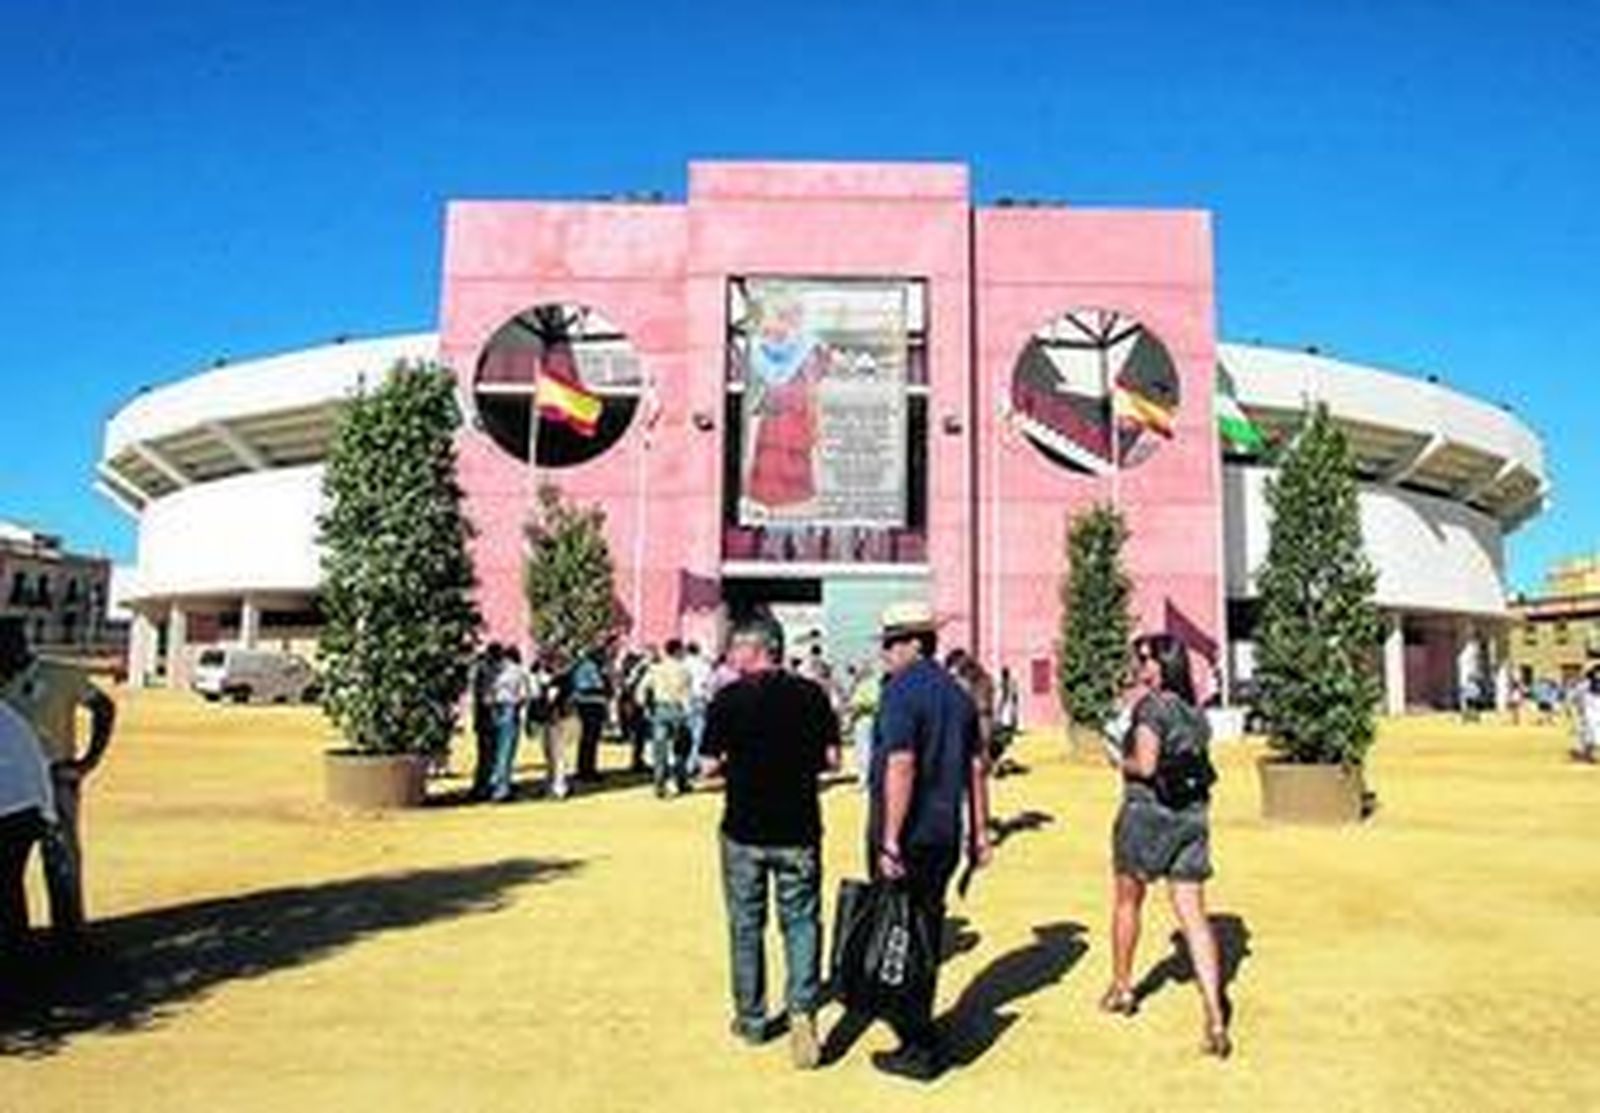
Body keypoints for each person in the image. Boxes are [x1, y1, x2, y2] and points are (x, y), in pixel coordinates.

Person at [700, 613, 839, 1069]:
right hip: (799, 828)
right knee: (801, 922)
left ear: (755, 648)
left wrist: (733, 769)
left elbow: (707, 768)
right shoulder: (813, 695)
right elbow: (833, 761)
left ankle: (753, 1018)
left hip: (743, 829)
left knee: (746, 925)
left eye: (735, 648)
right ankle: (802, 1011)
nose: (730, 656)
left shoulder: (728, 699)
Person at [863, 601, 993, 1081]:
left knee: (900, 935)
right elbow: (978, 768)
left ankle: (916, 1041)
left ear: (916, 643)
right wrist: (981, 832)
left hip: (908, 833)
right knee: (925, 932)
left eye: (893, 643)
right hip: (944, 835)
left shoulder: (901, 692)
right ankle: (920, 1030)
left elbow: (901, 763)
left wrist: (891, 840)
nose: (886, 653)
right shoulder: (958, 696)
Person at [1101, 633, 1231, 1059]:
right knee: (1194, 916)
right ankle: (1214, 1012)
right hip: (1192, 817)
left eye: (1146, 659)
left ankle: (1122, 988)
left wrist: (1118, 760)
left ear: (1165, 663)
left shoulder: (1151, 708)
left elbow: (1147, 765)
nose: (1140, 666)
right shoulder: (1196, 714)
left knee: (1127, 901)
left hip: (1146, 815)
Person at [1, 615, 116, 940]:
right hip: (8, 787)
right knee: (8, 870)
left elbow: (104, 707)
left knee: (61, 859)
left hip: (54, 779)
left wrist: (87, 762)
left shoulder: (60, 675)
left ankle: (70, 935)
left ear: (19, 644)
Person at [0, 699, 57, 957]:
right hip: (28, 807)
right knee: (9, 890)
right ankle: (17, 961)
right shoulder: (7, 713)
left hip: (12, 809)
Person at [644, 640, 693, 798]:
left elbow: (642, 688)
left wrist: (646, 706)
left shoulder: (656, 669)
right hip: (677, 709)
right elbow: (686, 694)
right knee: (681, 747)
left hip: (660, 709)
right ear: (678, 651)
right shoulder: (684, 670)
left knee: (660, 749)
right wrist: (687, 712)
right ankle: (681, 780)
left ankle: (659, 784)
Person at [487, 647, 530, 803]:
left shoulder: (493, 670)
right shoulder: (518, 671)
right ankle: (502, 788)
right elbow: (524, 695)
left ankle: (493, 783)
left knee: (494, 748)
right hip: (510, 708)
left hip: (494, 709)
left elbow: (487, 694)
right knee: (506, 750)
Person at [526, 656, 567, 799]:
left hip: (556, 720)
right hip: (548, 720)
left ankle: (559, 787)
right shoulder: (545, 680)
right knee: (549, 754)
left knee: (557, 755)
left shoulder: (559, 680)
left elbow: (552, 700)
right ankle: (550, 785)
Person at [469, 643, 504, 800]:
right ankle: (484, 786)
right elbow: (486, 697)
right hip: (488, 717)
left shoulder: (480, 671)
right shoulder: (487, 672)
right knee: (488, 754)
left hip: (483, 717)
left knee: (486, 754)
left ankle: (482, 785)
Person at [570, 649, 610, 783]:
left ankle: (585, 769)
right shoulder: (589, 667)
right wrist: (605, 686)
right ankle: (587, 771)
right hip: (591, 704)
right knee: (590, 739)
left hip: (588, 704)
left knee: (588, 740)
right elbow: (592, 686)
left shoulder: (583, 665)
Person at [683, 641, 713, 783]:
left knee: (684, 735)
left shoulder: (682, 664)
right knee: (698, 736)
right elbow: (708, 685)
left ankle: (683, 765)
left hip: (684, 701)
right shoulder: (703, 665)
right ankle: (691, 766)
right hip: (700, 700)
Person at [994, 665, 1021, 771]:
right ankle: (998, 762)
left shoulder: (1007, 687)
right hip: (1005, 719)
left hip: (1005, 718)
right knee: (1002, 741)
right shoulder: (1005, 687)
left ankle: (999, 762)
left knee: (1003, 741)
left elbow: (1008, 701)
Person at [1570, 667, 1600, 763]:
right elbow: (1575, 697)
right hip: (1588, 712)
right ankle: (1584, 753)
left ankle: (1583, 752)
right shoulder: (1584, 686)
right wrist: (1578, 708)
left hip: (1594, 711)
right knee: (1589, 733)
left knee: (1588, 733)